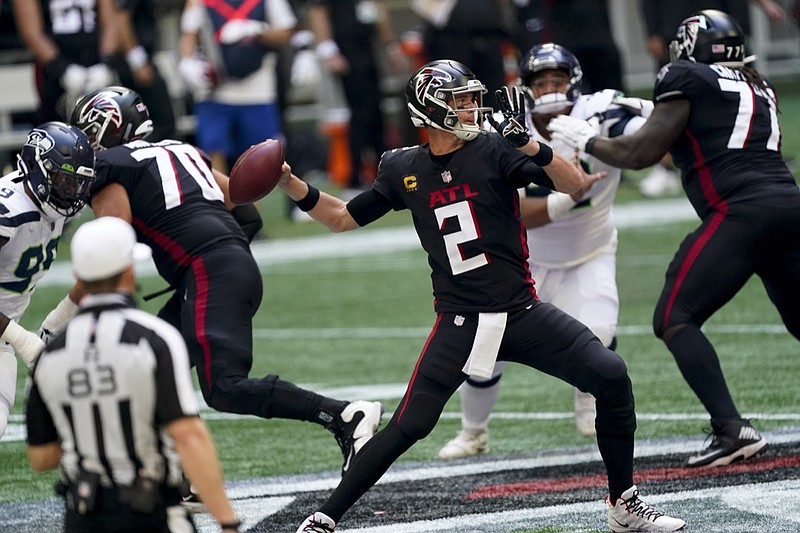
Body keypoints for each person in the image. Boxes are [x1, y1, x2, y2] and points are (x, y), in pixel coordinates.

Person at [283, 59, 686, 532]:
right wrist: (291, 183)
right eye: (461, 100)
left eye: (473, 98)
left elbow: (575, 184)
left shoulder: (494, 148)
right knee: (408, 427)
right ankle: (324, 518)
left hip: (521, 311)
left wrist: (528, 142)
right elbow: (342, 217)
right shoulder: (402, 168)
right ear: (430, 110)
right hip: (460, 321)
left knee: (611, 375)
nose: (474, 107)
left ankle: (623, 502)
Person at [38, 86, 382, 478]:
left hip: (207, 272)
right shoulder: (185, 151)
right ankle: (174, 477)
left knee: (223, 388)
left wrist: (58, 320)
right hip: (227, 267)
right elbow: (246, 213)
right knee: (146, 371)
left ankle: (344, 415)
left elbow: (109, 254)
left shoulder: (114, 166)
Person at [547, 9, 800, 468]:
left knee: (675, 317)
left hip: (739, 212)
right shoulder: (757, 84)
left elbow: (640, 153)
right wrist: (649, 113)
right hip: (788, 205)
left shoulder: (686, 76)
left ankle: (731, 426)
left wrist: (588, 142)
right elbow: (699, 133)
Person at [437, 43, 653, 459]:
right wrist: (570, 194)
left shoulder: (599, 114)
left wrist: (624, 124)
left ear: (574, 83)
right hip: (522, 263)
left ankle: (587, 400)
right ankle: (473, 431)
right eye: (541, 82)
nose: (550, 89)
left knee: (598, 334)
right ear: (527, 87)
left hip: (588, 252)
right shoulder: (505, 126)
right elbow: (513, 208)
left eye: (558, 80)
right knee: (484, 353)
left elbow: (647, 143)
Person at [25, 216, 242, 532]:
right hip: (150, 510)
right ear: (129, 271)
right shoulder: (152, 338)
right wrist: (228, 522)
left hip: (83, 516)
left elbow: (42, 458)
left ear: (78, 276)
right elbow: (188, 436)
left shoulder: (51, 354)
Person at [0, 121, 95, 441]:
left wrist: (56, 322)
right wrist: (21, 338)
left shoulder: (59, 210)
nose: (72, 191)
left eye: (78, 183)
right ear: (37, 168)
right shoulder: (8, 212)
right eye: (64, 180)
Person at [637, 0, 785, 198]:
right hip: (682, 28)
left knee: (744, 98)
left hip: (720, 27)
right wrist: (653, 31)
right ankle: (667, 168)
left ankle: (760, 157)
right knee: (677, 106)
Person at [177, 0, 297, 173]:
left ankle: (253, 201)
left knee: (258, 158)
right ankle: (221, 200)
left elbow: (286, 31)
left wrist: (256, 30)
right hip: (215, 90)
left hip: (258, 89)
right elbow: (189, 33)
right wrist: (188, 64)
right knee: (213, 151)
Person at [307, 0, 405, 193]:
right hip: (346, 50)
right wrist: (329, 50)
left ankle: (384, 171)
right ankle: (354, 177)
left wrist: (390, 45)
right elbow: (318, 12)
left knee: (377, 114)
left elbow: (378, 10)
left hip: (368, 48)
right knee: (361, 114)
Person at [12, 0, 118, 123]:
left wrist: (105, 62)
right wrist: (61, 69)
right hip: (53, 68)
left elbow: (110, 22)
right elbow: (31, 31)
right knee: (56, 125)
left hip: (94, 59)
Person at [109, 0, 177, 142]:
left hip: (143, 57)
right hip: (131, 62)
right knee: (162, 121)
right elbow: (121, 18)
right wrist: (136, 60)